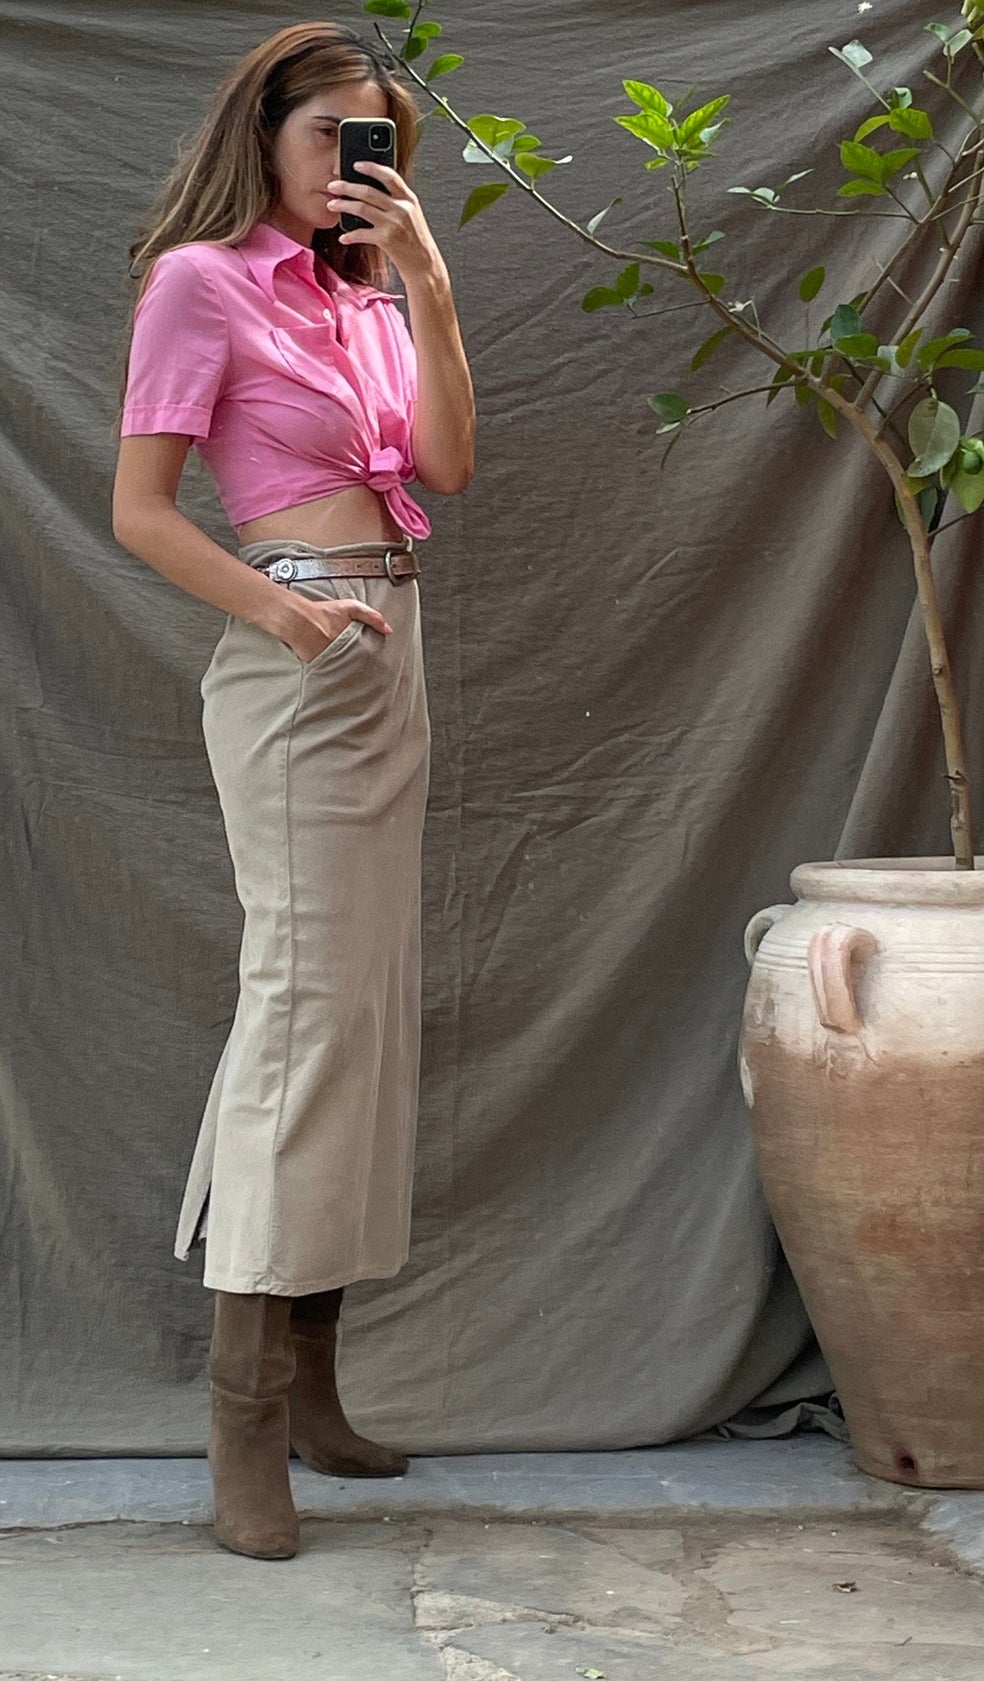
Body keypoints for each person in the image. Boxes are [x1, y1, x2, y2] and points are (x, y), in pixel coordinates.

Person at [112, 21, 475, 1561]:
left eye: (376, 138)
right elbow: (139, 511)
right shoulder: (201, 283)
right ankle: (241, 1417)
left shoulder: (374, 294)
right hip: (298, 660)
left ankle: (317, 1378)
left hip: (390, 653)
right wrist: (282, 616)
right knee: (304, 1018)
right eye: (331, 133)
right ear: (264, 134)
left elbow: (443, 470)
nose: (352, 163)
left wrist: (433, 293)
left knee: (365, 1015)